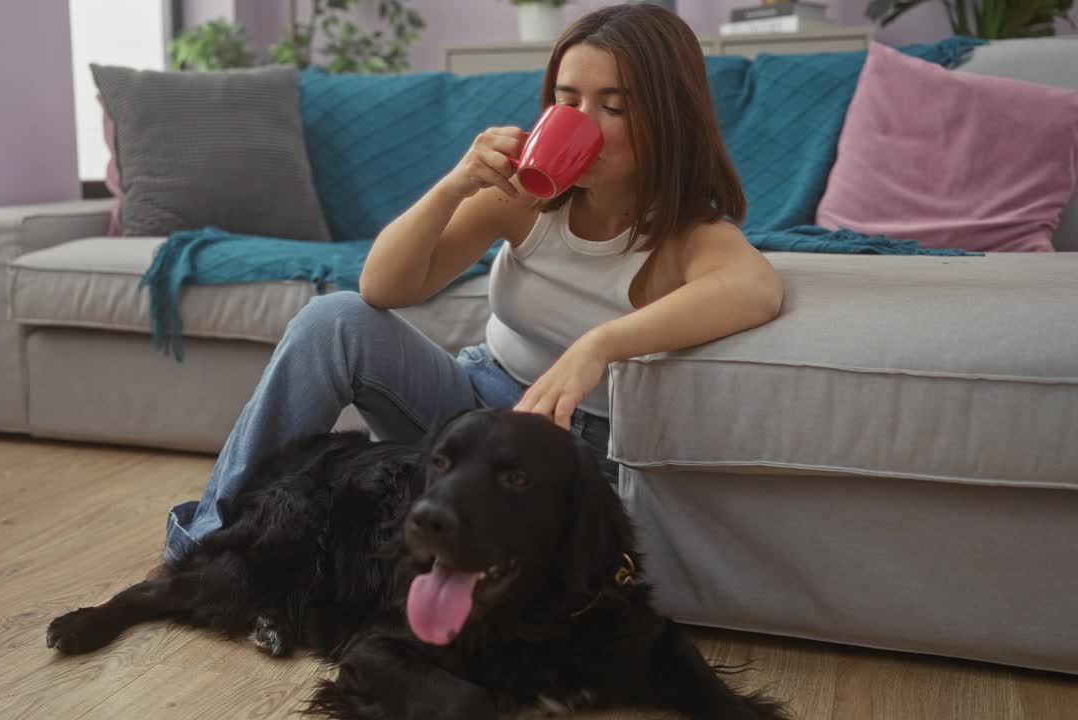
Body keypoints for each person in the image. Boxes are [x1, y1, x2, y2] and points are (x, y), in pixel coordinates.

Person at [149, 3, 783, 578]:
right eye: (567, 101)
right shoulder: (526, 199)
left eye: (612, 106)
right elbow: (381, 287)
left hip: (573, 447)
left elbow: (755, 288)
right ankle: (208, 540)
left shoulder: (690, 235)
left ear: (668, 115)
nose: (582, 122)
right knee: (334, 319)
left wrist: (598, 346)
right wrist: (456, 183)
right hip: (475, 403)